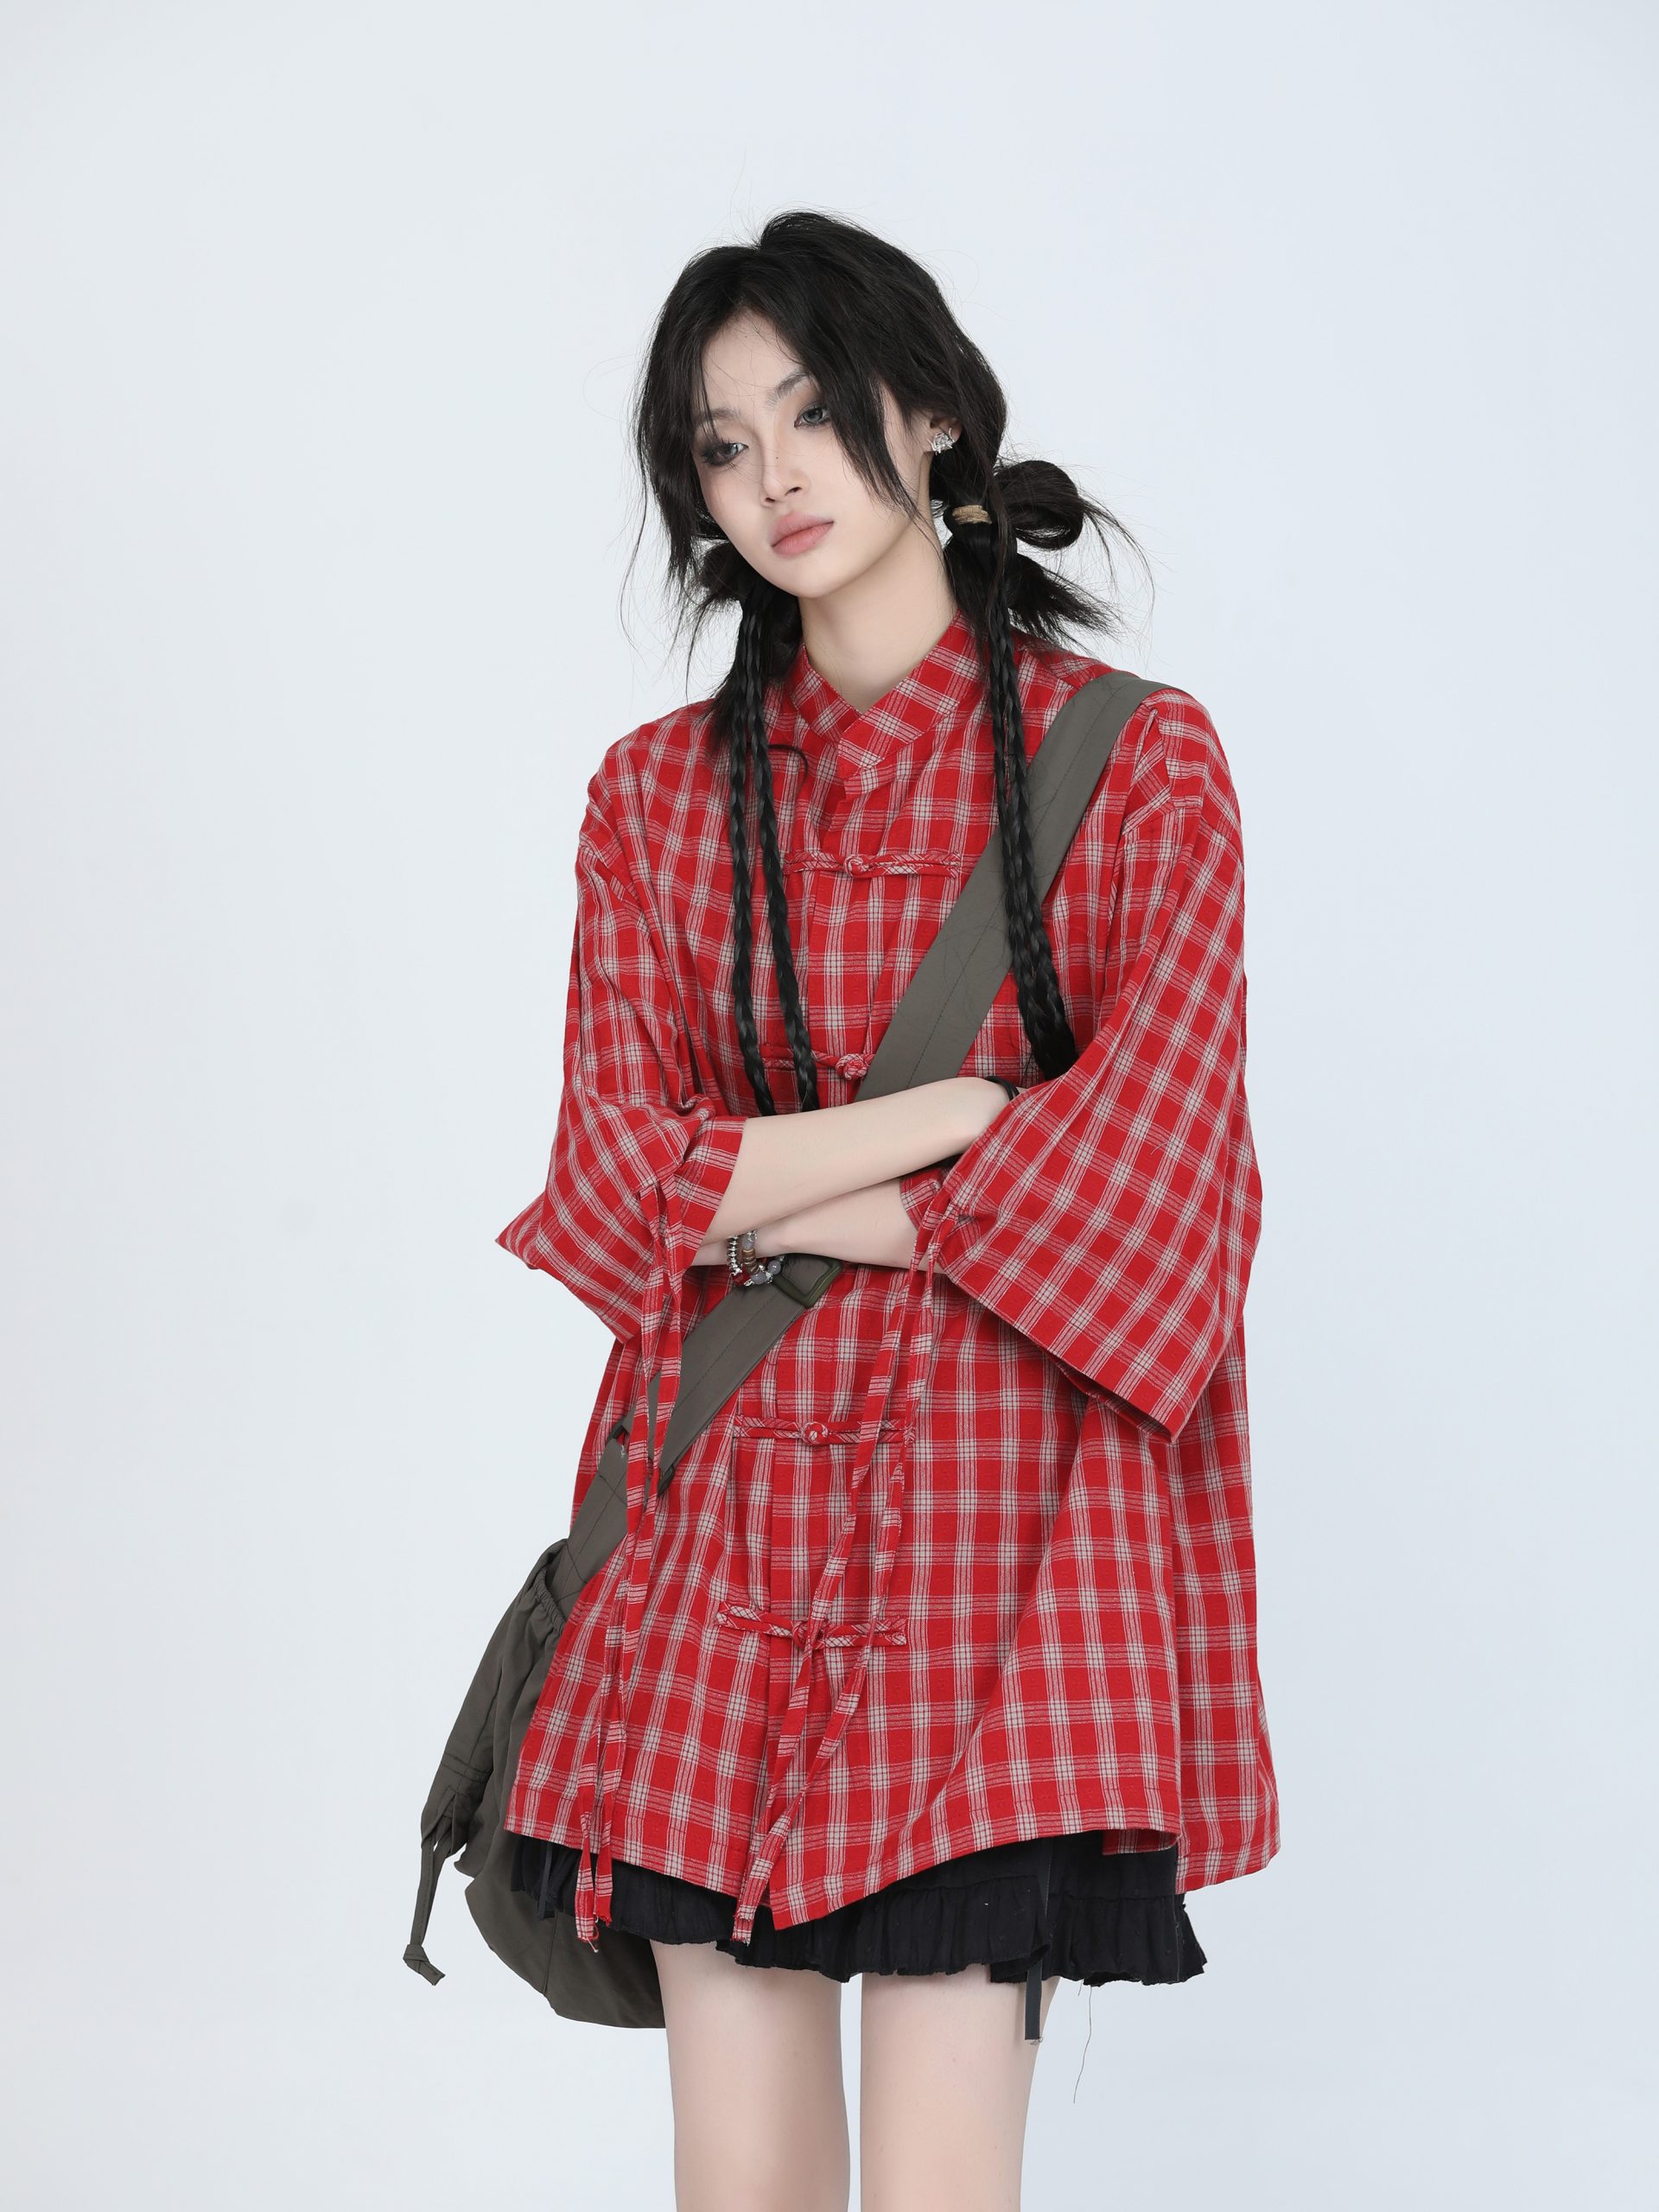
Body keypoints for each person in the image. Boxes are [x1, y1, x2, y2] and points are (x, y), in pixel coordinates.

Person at [493, 209, 1280, 2212]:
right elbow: (607, 1181)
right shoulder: (655, 798)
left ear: (927, 416)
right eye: (723, 442)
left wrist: (761, 1192)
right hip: (713, 1538)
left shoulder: (1137, 767)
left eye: (815, 411)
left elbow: (1156, 1199)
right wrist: (951, 1115)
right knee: (740, 2189)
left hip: (1005, 1556)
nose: (776, 474)